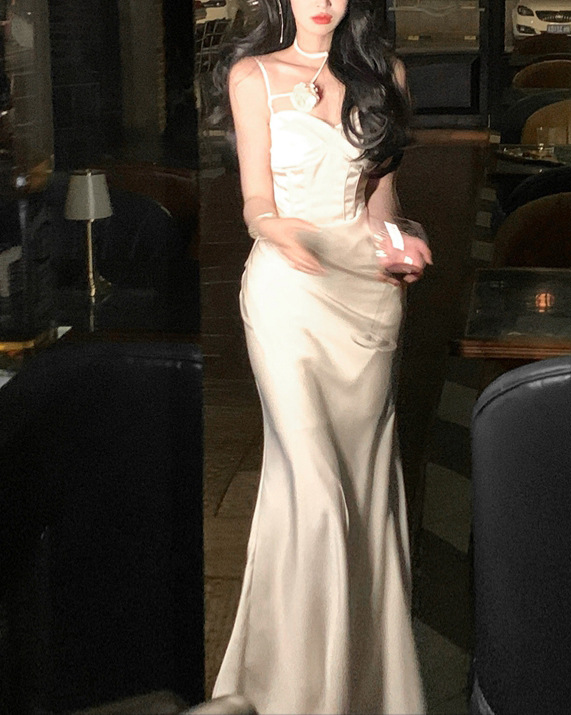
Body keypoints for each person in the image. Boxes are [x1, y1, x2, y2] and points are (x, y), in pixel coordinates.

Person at [210, 0, 430, 713]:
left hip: (366, 303)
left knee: (360, 495)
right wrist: (281, 232)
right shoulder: (252, 75)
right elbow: (254, 201)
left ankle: (364, 688)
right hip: (288, 297)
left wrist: (399, 245)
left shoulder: (384, 73)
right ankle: (295, 692)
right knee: (315, 494)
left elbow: (381, 199)